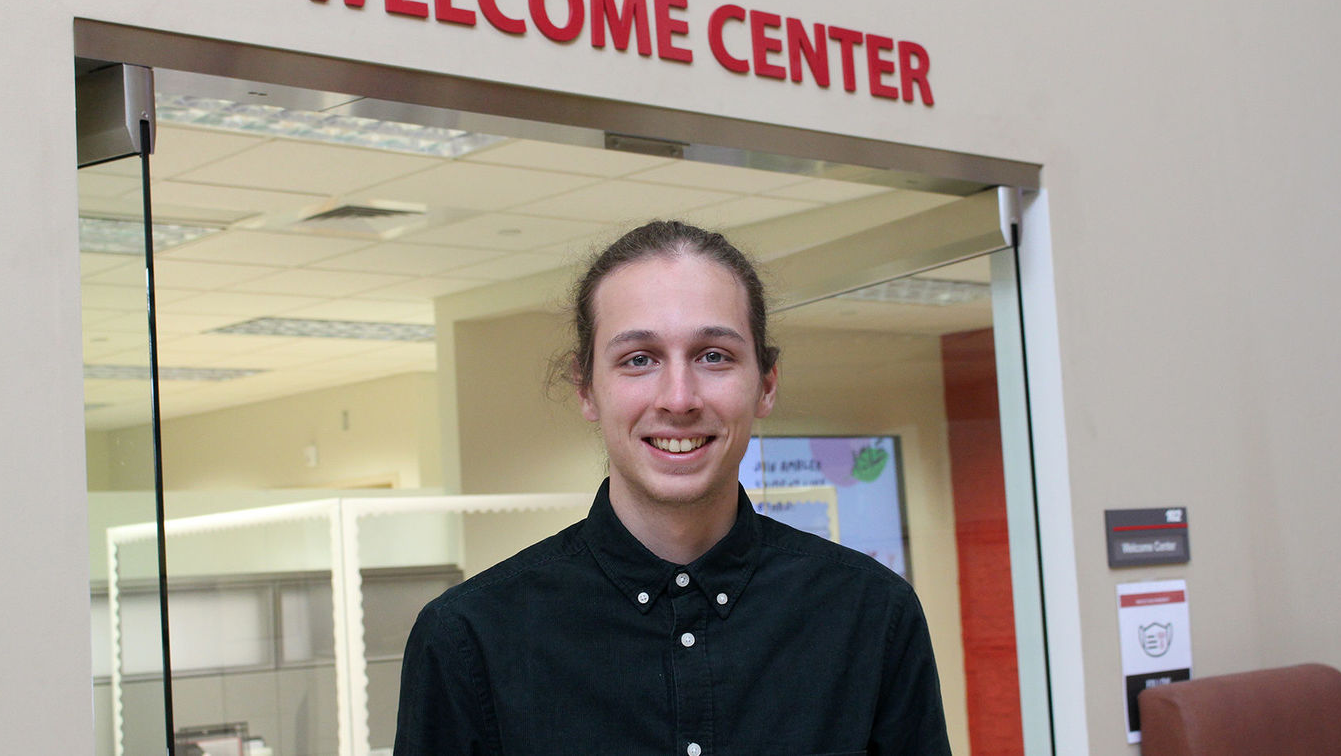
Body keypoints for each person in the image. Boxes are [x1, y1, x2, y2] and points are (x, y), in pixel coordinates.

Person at [394, 220, 951, 755]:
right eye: (639, 359)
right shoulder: (470, 639)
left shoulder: (873, 616)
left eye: (714, 356)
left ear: (766, 385)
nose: (679, 398)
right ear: (587, 388)